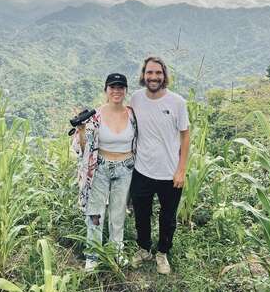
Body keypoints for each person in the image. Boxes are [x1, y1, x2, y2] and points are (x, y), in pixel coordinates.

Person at [129, 56, 190, 275]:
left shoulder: (177, 102)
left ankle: (162, 252)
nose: (153, 77)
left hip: (169, 172)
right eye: (149, 73)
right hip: (142, 170)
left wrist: (181, 169)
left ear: (164, 75)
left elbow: (185, 136)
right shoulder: (135, 98)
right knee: (141, 214)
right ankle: (144, 248)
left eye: (158, 73)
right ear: (143, 75)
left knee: (168, 217)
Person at [72, 73, 137, 271]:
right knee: (95, 213)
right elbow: (81, 148)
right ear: (106, 90)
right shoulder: (95, 116)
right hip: (99, 168)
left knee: (118, 213)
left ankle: (116, 251)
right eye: (112, 87)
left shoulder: (132, 114)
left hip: (125, 168)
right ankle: (93, 255)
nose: (116, 91)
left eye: (120, 87)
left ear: (125, 90)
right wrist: (81, 129)